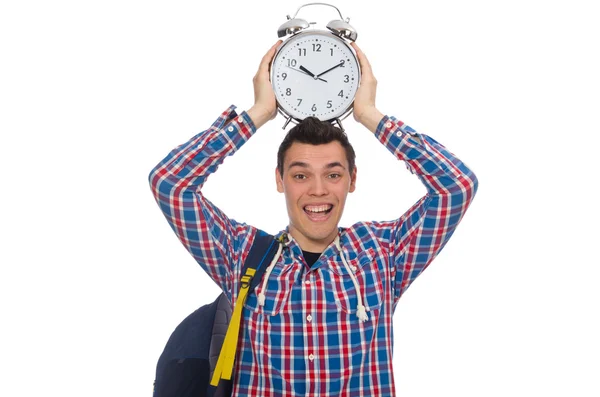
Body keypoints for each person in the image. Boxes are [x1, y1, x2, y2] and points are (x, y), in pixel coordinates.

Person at [149, 40, 478, 396]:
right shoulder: (240, 253)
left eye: (333, 174)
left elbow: (456, 187)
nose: (318, 190)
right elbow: (170, 184)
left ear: (352, 180)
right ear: (281, 180)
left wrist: (369, 114)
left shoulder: (384, 254)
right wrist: (257, 113)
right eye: (301, 175)